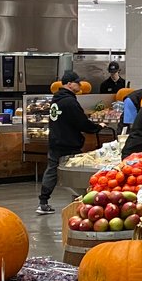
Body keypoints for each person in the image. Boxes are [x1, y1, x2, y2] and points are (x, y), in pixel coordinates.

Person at [38, 72, 100, 215]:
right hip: (69, 143)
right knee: (78, 171)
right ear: (69, 84)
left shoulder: (56, 99)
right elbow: (81, 122)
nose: (80, 85)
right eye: (77, 83)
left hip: (55, 141)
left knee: (52, 170)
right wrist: (97, 127)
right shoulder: (70, 102)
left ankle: (43, 201)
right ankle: (83, 202)